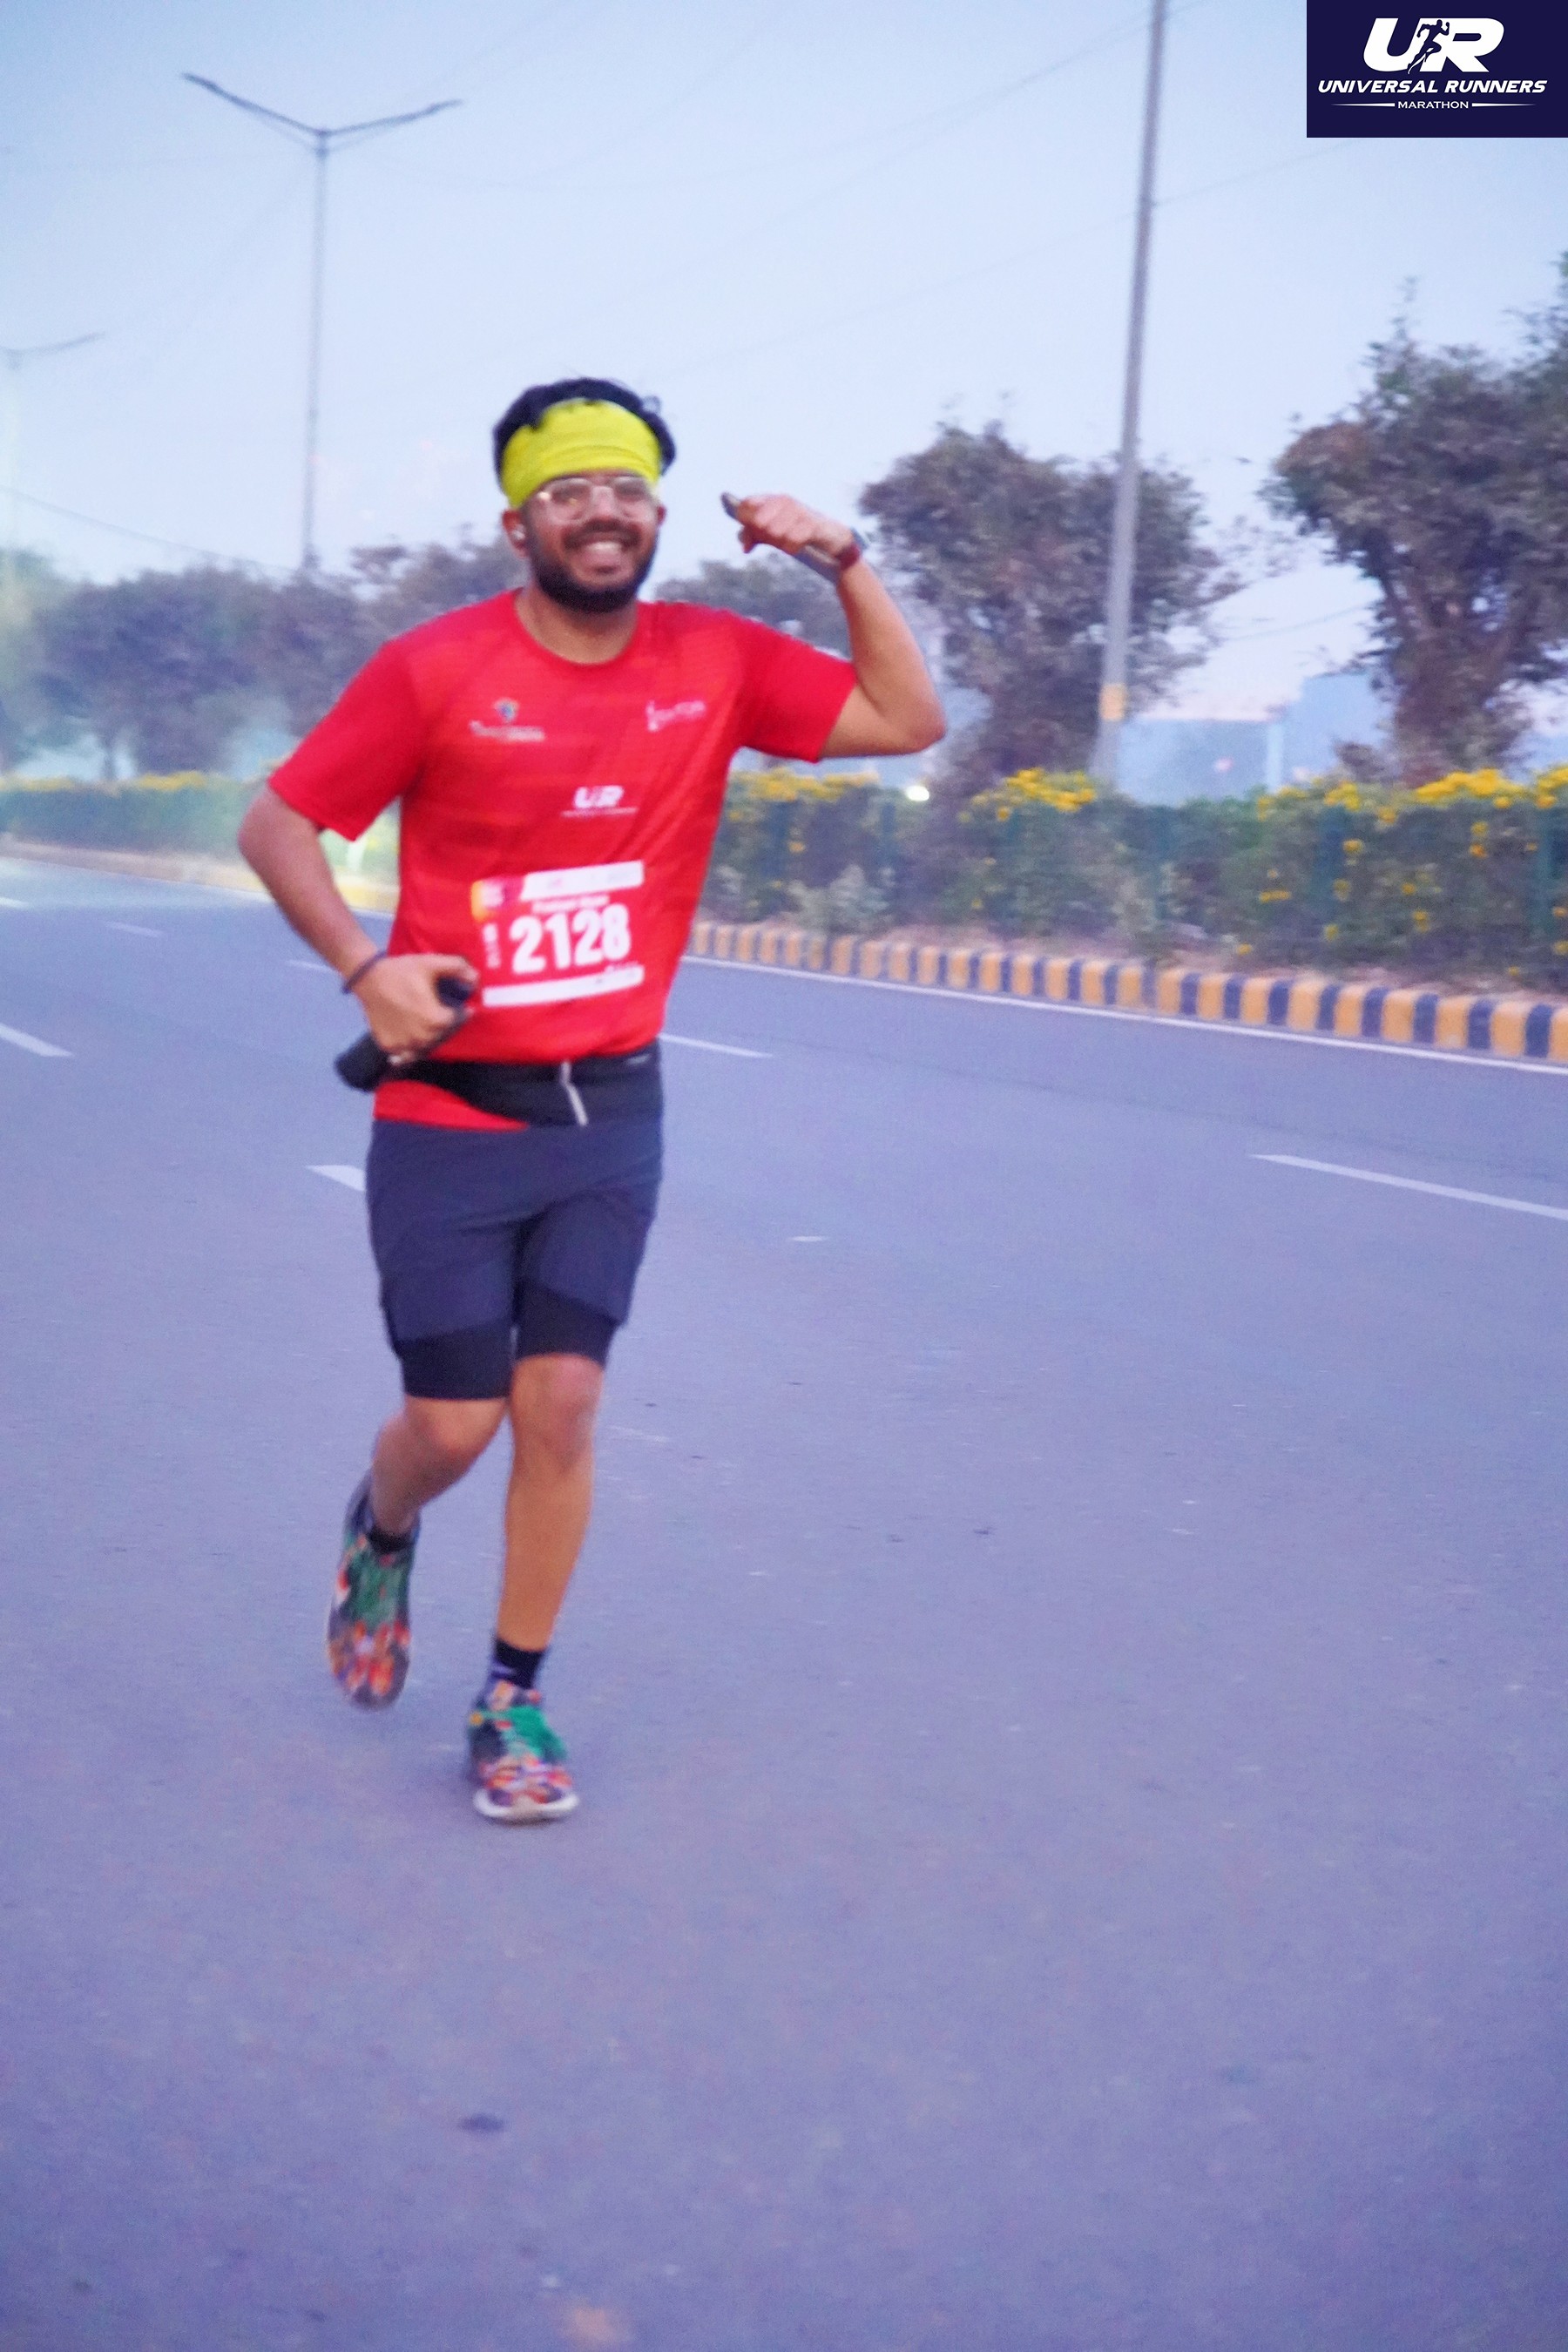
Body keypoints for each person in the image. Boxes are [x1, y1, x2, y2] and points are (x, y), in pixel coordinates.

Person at [239, 375, 943, 1823]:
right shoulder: (435, 671)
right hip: (449, 1117)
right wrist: (366, 968)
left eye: (624, 488)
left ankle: (512, 1700)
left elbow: (906, 716)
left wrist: (842, 561)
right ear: (520, 526)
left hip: (610, 1117)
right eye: (567, 492)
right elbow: (277, 823)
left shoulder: (717, 658)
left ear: (658, 516)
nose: (601, 511)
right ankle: (383, 1523)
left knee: (558, 1404)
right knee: (453, 1426)